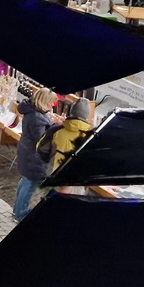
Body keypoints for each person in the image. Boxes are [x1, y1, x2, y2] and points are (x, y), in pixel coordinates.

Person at [13, 88, 57, 221]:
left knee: (25, 182)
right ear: (44, 101)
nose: (52, 105)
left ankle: (17, 210)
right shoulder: (37, 118)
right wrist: (55, 127)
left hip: (27, 152)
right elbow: (42, 139)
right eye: (51, 103)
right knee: (29, 185)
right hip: (34, 157)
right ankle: (20, 214)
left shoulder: (32, 111)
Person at [44, 97, 92, 172]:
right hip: (68, 177)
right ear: (87, 116)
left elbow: (40, 149)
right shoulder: (88, 138)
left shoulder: (55, 130)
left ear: (71, 112)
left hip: (48, 172)